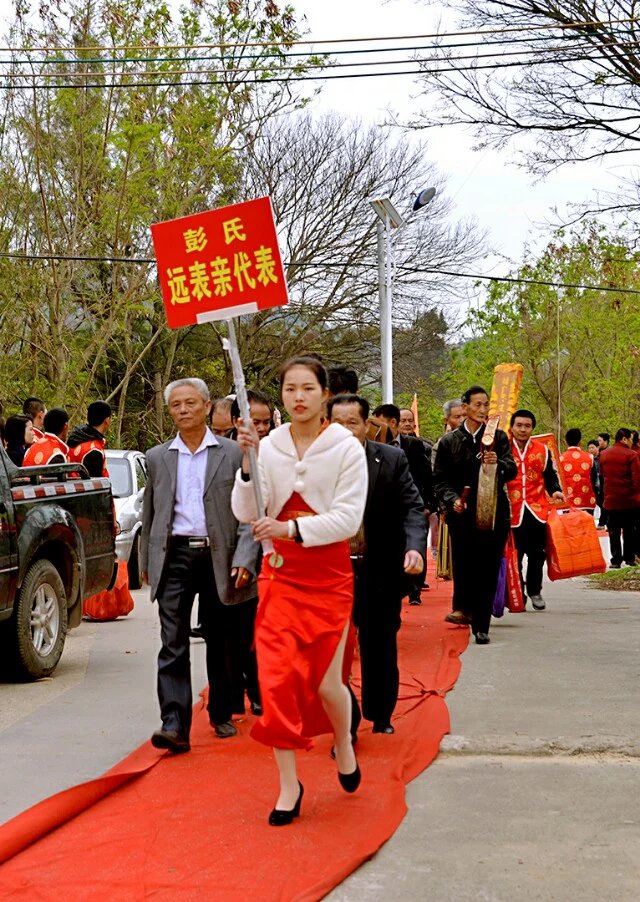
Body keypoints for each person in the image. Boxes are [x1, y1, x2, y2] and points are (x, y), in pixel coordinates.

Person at [232, 356, 367, 826]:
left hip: (327, 577)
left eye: (308, 388)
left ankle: (344, 743)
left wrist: (290, 529)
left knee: (329, 684)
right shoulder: (267, 446)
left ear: (324, 393)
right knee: (276, 681)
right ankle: (289, 785)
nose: (299, 397)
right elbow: (247, 510)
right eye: (290, 389)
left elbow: (348, 520)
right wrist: (246, 467)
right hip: (280, 577)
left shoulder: (345, 448)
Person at [140, 378, 260, 752]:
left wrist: (244, 558)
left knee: (221, 638)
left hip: (219, 556)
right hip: (174, 555)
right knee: (171, 639)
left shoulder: (230, 452)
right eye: (176, 405)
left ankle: (221, 711)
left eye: (190, 403)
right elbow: (152, 511)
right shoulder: (158, 457)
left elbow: (248, 511)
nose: (183, 410)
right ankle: (174, 722)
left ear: (207, 406)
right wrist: (147, 560)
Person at [329, 393, 426, 734]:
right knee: (333, 651)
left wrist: (414, 548)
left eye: (351, 423)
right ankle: (345, 720)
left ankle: (380, 713)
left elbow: (414, 508)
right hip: (330, 570)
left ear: (366, 425)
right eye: (336, 423)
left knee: (379, 643)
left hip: (379, 567)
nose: (344, 430)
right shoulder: (312, 464)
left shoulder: (391, 459)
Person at [433, 385, 517, 644]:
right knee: (466, 566)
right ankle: (465, 608)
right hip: (463, 514)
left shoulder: (499, 437)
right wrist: (452, 499)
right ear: (465, 407)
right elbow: (439, 480)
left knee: (488, 567)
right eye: (477, 405)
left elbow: (512, 469)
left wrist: (498, 464)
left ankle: (482, 625)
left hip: (494, 514)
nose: (482, 410)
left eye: (485, 405)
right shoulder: (449, 442)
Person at [373, 403, 431, 604]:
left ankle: (415, 588)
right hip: (383, 513)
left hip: (411, 502)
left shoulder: (413, 446)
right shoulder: (369, 448)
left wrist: (426, 503)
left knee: (414, 545)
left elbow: (424, 474)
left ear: (392, 423)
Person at [507, 410, 564, 610]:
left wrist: (555, 491)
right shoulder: (501, 448)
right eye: (519, 425)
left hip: (536, 510)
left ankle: (535, 590)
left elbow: (550, 475)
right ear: (512, 427)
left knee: (537, 554)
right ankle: (518, 591)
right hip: (511, 510)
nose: (523, 429)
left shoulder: (542, 450)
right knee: (516, 555)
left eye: (527, 426)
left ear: (532, 428)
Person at [598, 428, 640, 568]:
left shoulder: (603, 454)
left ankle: (615, 560)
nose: (630, 443)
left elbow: (602, 476)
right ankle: (629, 558)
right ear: (624, 439)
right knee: (629, 530)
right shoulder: (632, 455)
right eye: (630, 440)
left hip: (610, 499)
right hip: (628, 499)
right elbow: (637, 480)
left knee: (613, 530)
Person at [67, 401, 111, 477]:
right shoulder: (94, 450)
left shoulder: (77, 437)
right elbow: (95, 484)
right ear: (107, 420)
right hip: (82, 488)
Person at [559, 428, 597, 513]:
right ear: (580, 441)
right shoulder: (590, 457)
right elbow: (595, 481)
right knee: (587, 525)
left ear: (566, 442)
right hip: (587, 500)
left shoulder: (560, 459)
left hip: (568, 503)